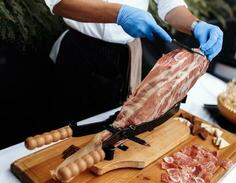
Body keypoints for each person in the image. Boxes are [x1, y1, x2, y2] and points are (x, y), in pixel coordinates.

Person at [44, 0, 223, 124]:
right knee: (63, 130)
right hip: (80, 53)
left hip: (126, 57)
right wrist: (119, 14)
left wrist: (195, 25)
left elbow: (170, 5)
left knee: (112, 128)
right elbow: (59, 3)